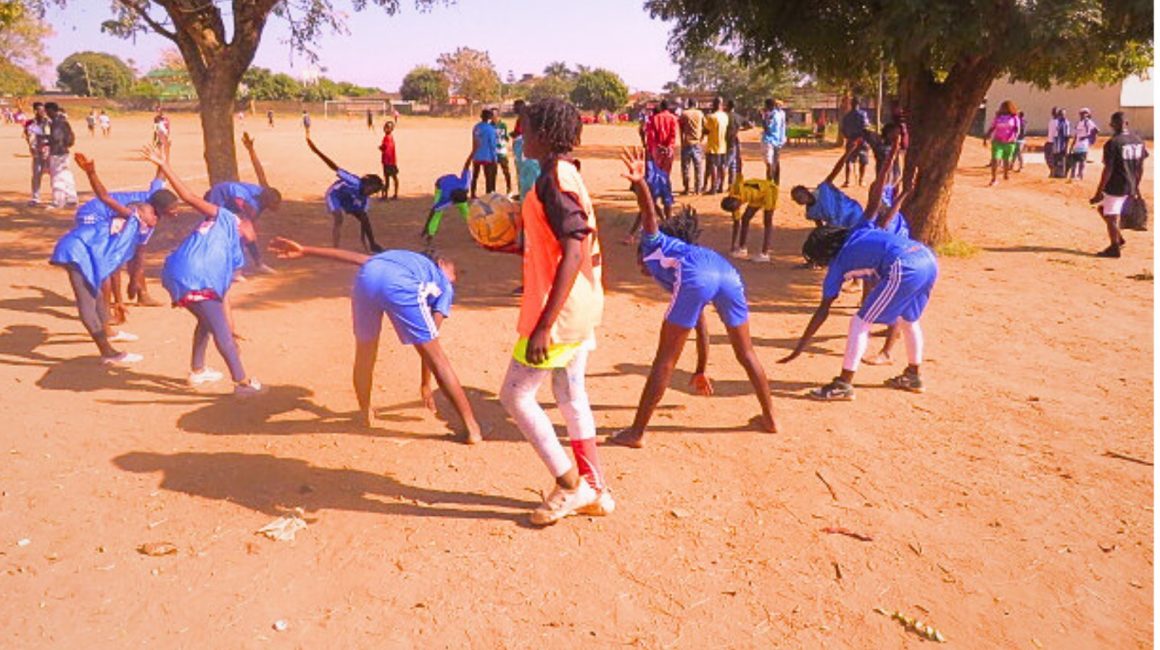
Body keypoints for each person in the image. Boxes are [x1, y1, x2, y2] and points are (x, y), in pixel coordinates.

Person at [609, 148, 777, 448]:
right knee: (747, 353)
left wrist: (640, 184)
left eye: (639, 263)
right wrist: (700, 369)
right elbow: (700, 324)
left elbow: (649, 214)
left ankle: (636, 433)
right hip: (727, 273)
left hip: (699, 274)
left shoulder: (654, 243)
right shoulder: (681, 260)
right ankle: (770, 418)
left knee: (665, 359)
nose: (640, 268)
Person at [497, 97, 612, 525]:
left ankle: (570, 486)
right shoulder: (564, 172)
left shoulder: (554, 179)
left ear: (543, 134)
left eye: (523, 126)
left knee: (515, 395)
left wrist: (545, 324)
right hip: (580, 302)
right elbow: (558, 240)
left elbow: (575, 248)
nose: (517, 134)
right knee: (569, 395)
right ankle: (595, 488)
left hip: (558, 312)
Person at [267, 238, 484, 441]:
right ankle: (472, 428)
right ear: (442, 263)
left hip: (366, 279)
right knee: (438, 358)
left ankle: (364, 412)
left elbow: (353, 258)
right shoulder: (443, 285)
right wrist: (425, 383)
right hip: (400, 284)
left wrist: (305, 250)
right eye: (456, 273)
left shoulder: (398, 258)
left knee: (365, 352)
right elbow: (431, 347)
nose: (455, 280)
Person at [780, 190, 938, 401]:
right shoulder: (858, 230)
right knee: (908, 319)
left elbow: (822, 311)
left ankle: (843, 384)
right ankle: (913, 375)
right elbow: (874, 202)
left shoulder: (837, 265)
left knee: (860, 322)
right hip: (926, 257)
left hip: (904, 266)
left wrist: (799, 347)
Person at [140, 145, 264, 395]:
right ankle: (242, 383)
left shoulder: (233, 250)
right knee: (220, 332)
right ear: (247, 222)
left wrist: (232, 325)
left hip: (177, 272)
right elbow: (187, 197)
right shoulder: (225, 216)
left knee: (208, 321)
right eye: (253, 232)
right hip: (195, 275)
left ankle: (197, 370)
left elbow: (224, 297)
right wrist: (164, 165)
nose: (253, 236)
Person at [50, 153, 174, 365]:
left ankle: (108, 334)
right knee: (87, 302)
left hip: (86, 253)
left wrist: (121, 298)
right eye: (152, 215)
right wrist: (91, 173)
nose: (156, 219)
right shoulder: (132, 218)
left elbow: (118, 261)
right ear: (140, 213)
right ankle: (107, 352)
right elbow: (105, 197)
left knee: (98, 297)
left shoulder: (140, 226)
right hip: (76, 252)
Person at [74, 152, 177, 311]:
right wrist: (91, 173)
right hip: (93, 214)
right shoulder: (139, 218)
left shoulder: (156, 197)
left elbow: (160, 176)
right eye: (172, 209)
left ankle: (140, 294)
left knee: (129, 253)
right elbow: (104, 197)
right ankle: (111, 306)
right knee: (109, 259)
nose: (176, 212)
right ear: (159, 210)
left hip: (112, 212)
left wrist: (164, 150)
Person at [204, 132, 283, 273]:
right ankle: (233, 269)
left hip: (232, 200)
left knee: (247, 233)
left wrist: (251, 150)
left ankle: (256, 264)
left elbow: (259, 171)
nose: (277, 207)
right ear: (268, 200)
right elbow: (241, 210)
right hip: (220, 196)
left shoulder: (264, 193)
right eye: (275, 203)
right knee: (226, 231)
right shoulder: (249, 204)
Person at [306, 136, 385, 252]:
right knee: (339, 217)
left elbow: (363, 219)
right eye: (372, 190)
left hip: (349, 200)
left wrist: (364, 240)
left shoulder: (365, 199)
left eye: (374, 192)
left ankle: (373, 244)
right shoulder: (354, 181)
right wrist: (316, 151)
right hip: (335, 195)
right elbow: (334, 167)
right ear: (368, 183)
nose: (371, 193)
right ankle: (335, 249)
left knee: (365, 218)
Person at [1089, 111, 1148, 258]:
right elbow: (1140, 167)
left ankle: (1114, 248)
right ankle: (1118, 238)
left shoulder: (1112, 143)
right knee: (1103, 210)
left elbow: (1108, 169)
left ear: (1112, 125)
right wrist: (1136, 185)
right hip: (1130, 184)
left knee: (1111, 216)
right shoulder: (1138, 141)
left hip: (1116, 185)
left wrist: (1098, 192)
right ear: (1126, 123)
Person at [722, 174, 778, 262]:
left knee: (767, 222)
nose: (739, 206)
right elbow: (736, 223)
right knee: (745, 219)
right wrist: (733, 245)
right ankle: (742, 248)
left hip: (769, 191)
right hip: (756, 197)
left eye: (738, 204)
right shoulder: (733, 206)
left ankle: (765, 254)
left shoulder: (736, 191)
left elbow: (738, 174)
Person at [420, 167, 472, 242]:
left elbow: (466, 166)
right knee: (438, 213)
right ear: (453, 201)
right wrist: (426, 227)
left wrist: (471, 155)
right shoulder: (445, 198)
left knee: (467, 212)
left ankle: (475, 229)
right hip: (440, 187)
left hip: (454, 186)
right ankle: (430, 234)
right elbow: (433, 211)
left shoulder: (464, 186)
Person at [45, 102, 78, 209]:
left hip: (57, 152)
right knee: (66, 175)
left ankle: (58, 201)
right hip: (64, 152)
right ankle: (72, 198)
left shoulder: (56, 123)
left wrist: (46, 140)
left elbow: (56, 138)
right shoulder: (63, 121)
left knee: (57, 177)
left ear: (52, 110)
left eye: (48, 111)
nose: (47, 113)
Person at [983, 100, 1020, 186]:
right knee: (995, 159)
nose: (1003, 109)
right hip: (997, 141)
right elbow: (992, 127)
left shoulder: (1014, 118)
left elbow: (1017, 129)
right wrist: (986, 137)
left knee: (1006, 160)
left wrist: (1014, 137)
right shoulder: (998, 117)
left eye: (1005, 107)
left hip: (1009, 142)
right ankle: (994, 179)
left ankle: (1006, 174)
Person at [511, 99, 541, 201]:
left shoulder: (524, 118)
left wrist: (515, 136)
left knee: (527, 173)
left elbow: (522, 133)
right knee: (523, 173)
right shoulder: (524, 118)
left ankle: (526, 198)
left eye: (515, 106)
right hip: (524, 149)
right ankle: (523, 196)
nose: (513, 108)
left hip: (524, 150)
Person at [24, 102, 50, 206]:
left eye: (43, 110)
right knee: (36, 175)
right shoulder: (30, 123)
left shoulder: (49, 122)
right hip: (37, 153)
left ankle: (58, 197)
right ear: (35, 111)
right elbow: (28, 136)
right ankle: (36, 197)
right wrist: (32, 147)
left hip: (49, 152)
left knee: (54, 174)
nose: (43, 112)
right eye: (40, 110)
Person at [840, 98, 870, 186]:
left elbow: (843, 129)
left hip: (851, 140)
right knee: (863, 161)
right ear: (859, 104)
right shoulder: (863, 114)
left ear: (851, 104)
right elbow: (866, 126)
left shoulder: (847, 116)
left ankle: (847, 181)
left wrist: (848, 137)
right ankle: (861, 180)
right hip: (862, 140)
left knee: (848, 160)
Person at [645, 99, 678, 180]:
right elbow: (673, 135)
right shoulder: (673, 118)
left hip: (657, 148)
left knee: (657, 170)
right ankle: (666, 188)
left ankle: (658, 189)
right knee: (667, 172)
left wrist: (655, 146)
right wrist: (669, 146)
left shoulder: (654, 118)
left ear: (661, 107)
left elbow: (651, 135)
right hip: (668, 149)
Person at [469, 109, 499, 198]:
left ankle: (473, 193)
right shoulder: (491, 129)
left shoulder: (476, 127)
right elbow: (492, 145)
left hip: (477, 155)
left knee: (475, 176)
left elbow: (474, 141)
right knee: (489, 177)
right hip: (488, 156)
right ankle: (488, 195)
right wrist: (495, 158)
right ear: (490, 118)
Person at [678, 98, 705, 195]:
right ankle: (698, 189)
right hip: (697, 143)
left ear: (688, 104)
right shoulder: (700, 114)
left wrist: (682, 140)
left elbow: (680, 129)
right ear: (696, 104)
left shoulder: (684, 114)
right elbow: (705, 127)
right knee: (698, 167)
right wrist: (701, 138)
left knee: (685, 167)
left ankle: (686, 189)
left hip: (686, 143)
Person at [703, 98, 728, 194]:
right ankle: (721, 186)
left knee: (713, 167)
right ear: (721, 104)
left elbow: (706, 130)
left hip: (713, 146)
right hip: (723, 145)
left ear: (714, 105)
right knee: (722, 166)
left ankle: (713, 188)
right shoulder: (725, 116)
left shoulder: (711, 117)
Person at [1069, 107, 1099, 181]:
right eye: (1081, 113)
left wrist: (1086, 137)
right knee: (1074, 161)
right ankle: (1072, 175)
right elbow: (1076, 135)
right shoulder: (1079, 123)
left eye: (1084, 113)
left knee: (1082, 161)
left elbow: (1096, 130)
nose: (1082, 115)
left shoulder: (1088, 122)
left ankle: (1080, 175)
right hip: (1077, 144)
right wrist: (1072, 145)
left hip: (1083, 144)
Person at [761, 98, 787, 184]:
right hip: (778, 141)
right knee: (775, 162)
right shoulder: (780, 114)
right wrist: (782, 139)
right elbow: (783, 127)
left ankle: (769, 183)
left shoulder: (771, 115)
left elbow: (767, 129)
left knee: (769, 163)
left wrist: (762, 118)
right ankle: (776, 182)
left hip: (769, 141)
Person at [723, 99, 746, 187]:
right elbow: (750, 125)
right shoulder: (738, 117)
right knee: (733, 164)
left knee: (725, 164)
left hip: (725, 141)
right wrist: (740, 130)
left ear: (728, 106)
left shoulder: (725, 116)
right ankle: (730, 184)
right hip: (734, 141)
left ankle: (719, 184)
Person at [492, 110, 514, 195]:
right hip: (493, 152)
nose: (493, 117)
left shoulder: (503, 125)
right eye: (492, 115)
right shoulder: (490, 126)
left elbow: (505, 136)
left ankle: (509, 188)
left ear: (498, 115)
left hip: (502, 151)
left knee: (506, 170)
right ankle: (492, 190)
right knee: (493, 172)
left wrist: (506, 139)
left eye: (494, 115)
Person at [379, 120, 399, 200]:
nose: (385, 129)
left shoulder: (387, 138)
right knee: (390, 178)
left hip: (388, 162)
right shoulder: (389, 137)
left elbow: (386, 149)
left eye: (387, 128)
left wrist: (381, 148)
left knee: (390, 178)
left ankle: (390, 194)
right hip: (390, 161)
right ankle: (388, 194)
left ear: (391, 129)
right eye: (385, 127)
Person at [1051, 108, 1071, 178]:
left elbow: (1067, 136)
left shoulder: (1066, 123)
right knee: (1056, 160)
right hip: (1056, 145)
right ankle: (1056, 174)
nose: (1061, 115)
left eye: (1062, 114)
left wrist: (1066, 147)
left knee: (1062, 160)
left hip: (1062, 145)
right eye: (1060, 114)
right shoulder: (1057, 122)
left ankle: (1061, 175)